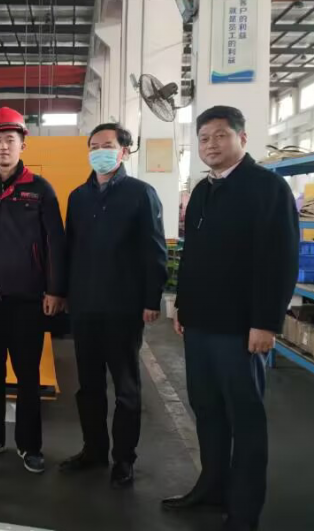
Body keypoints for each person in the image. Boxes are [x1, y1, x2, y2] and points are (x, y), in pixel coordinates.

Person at [163, 106, 298, 531]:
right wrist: (183, 306)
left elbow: (280, 260)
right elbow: (193, 256)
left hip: (241, 329)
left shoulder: (267, 188)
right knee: (208, 410)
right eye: (204, 138)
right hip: (200, 325)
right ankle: (212, 487)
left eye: (220, 135)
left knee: (245, 419)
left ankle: (244, 510)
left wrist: (266, 322)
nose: (211, 145)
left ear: (242, 137)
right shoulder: (204, 190)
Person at [0, 106, 67, 474]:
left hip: (27, 300)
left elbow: (54, 242)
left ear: (23, 144)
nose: (4, 146)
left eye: (10, 140)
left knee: (28, 375)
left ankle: (30, 446)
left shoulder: (40, 190)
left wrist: (54, 290)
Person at [60, 123, 167, 488]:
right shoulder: (78, 197)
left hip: (123, 307)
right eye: (93, 146)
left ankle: (124, 458)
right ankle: (93, 450)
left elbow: (154, 250)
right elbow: (70, 249)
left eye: (107, 145)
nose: (99, 152)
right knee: (88, 386)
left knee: (126, 388)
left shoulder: (141, 193)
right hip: (85, 306)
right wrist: (64, 293)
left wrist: (151, 299)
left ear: (124, 150)